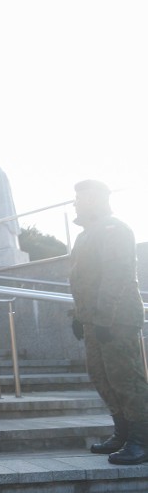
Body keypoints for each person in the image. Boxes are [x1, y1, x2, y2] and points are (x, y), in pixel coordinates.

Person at [69, 179, 148, 465]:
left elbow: (117, 275)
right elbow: (81, 281)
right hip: (94, 320)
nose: (76, 202)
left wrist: (104, 317)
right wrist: (77, 316)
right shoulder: (86, 235)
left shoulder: (115, 229)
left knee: (126, 379)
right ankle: (123, 433)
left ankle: (142, 440)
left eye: (81, 197)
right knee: (102, 378)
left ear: (97, 199)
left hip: (117, 320)